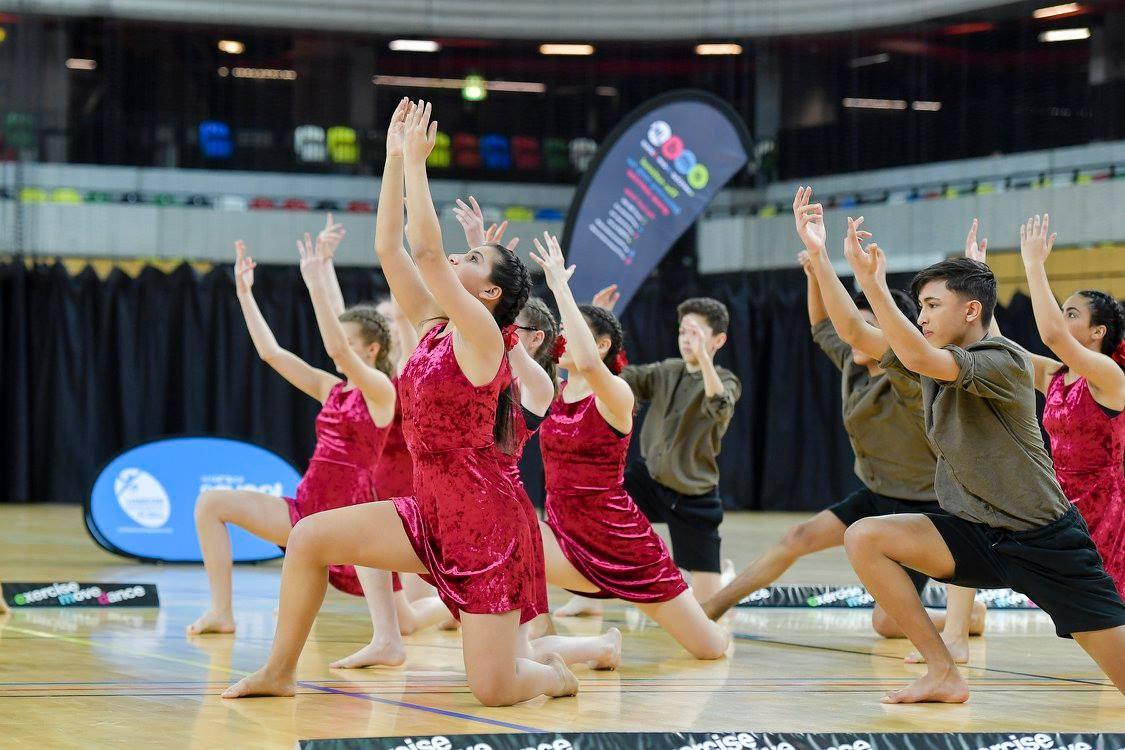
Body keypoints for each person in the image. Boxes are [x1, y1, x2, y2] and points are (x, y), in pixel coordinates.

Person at [221, 98, 577, 706]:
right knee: (308, 537)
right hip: (428, 505)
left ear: (489, 292)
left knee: (494, 690)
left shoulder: (485, 336)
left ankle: (553, 673)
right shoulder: (435, 324)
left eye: (474, 261)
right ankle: (279, 670)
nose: (457, 262)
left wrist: (418, 165)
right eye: (464, 255)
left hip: (486, 523)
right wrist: (390, 159)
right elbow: (392, 246)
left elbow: (430, 252)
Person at [839, 215, 1125, 704]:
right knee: (866, 536)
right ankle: (943, 671)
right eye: (922, 306)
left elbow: (924, 355)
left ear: (969, 311)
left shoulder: (1003, 361)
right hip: (976, 531)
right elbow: (855, 332)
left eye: (931, 306)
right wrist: (823, 258)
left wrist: (873, 283)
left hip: (1045, 539)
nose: (922, 317)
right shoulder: (939, 354)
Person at [702, 188, 984, 663]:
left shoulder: (913, 375)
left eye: (869, 323)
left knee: (885, 623)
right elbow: (822, 325)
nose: (855, 329)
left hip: (924, 503)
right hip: (875, 494)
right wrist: (815, 269)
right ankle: (707, 609)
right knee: (796, 539)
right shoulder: (854, 362)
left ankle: (967, 619)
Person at [190, 220, 409, 669]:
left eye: (350, 342)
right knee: (211, 503)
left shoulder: (383, 391)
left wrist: (315, 280)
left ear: (370, 351)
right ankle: (221, 612)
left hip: (351, 521)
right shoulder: (333, 389)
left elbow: (337, 349)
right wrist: (245, 295)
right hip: (305, 511)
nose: (338, 347)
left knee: (405, 605)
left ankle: (405, 630)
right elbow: (272, 353)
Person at [530, 232, 729, 661]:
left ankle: (712, 591)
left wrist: (560, 286)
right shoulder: (551, 388)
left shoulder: (615, 394)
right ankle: (577, 645)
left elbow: (587, 362)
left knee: (710, 648)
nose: (559, 340)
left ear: (601, 347)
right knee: (509, 539)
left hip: (622, 543)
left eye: (571, 333)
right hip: (567, 534)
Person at [560, 288, 740, 614]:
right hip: (649, 479)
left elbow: (720, 405)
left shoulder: (725, 379)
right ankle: (589, 598)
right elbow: (611, 377)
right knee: (597, 516)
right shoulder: (666, 371)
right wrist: (599, 330)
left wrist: (705, 361)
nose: (687, 339)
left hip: (693, 495)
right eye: (683, 331)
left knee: (707, 608)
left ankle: (721, 576)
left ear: (718, 340)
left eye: (696, 333)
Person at [1015, 214, 1125, 597]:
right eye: (1062, 311)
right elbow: (1003, 352)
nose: (1061, 319)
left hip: (1108, 509)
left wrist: (1032, 265)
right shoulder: (1055, 376)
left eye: (1072, 313)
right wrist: (979, 282)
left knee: (1111, 602)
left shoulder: (1109, 375)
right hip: (1062, 504)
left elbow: (1053, 336)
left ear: (1098, 332)